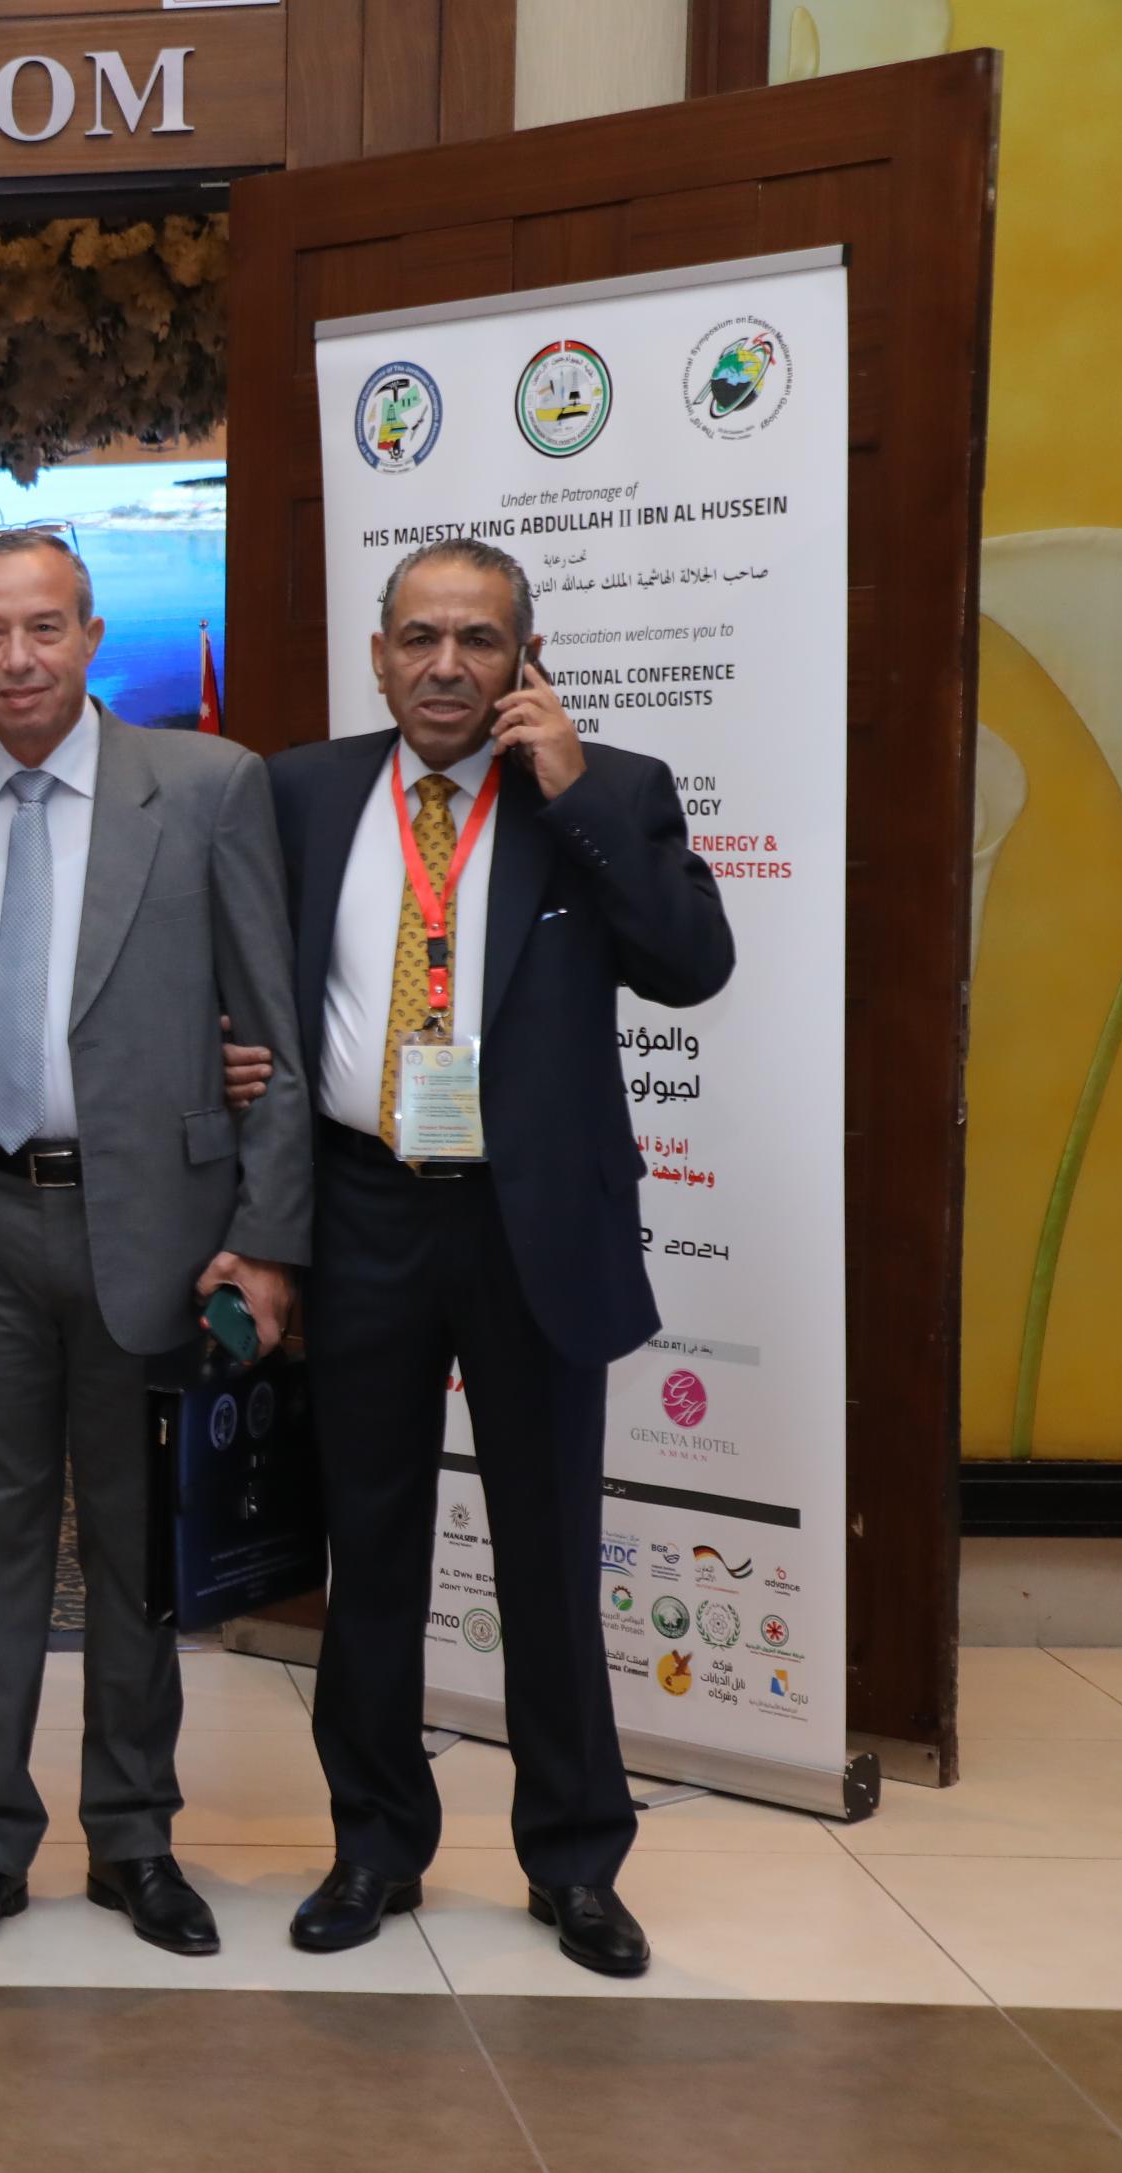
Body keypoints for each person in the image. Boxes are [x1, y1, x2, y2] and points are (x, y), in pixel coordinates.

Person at [0, 531, 310, 1961]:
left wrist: (266, 1239)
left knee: (141, 1551)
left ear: (91, 636)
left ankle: (136, 1837)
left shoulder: (207, 786)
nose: (18, 658)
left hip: (154, 1231)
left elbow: (270, 1032)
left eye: (44, 628)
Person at [265, 537, 731, 1977]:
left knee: (546, 1552)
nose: (447, 666)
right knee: (369, 1549)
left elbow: (692, 964)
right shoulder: (302, 792)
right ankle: (373, 1846)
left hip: (531, 1220)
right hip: (362, 1209)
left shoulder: (608, 791)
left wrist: (571, 790)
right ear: (378, 655)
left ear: (525, 657)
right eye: (420, 637)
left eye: (479, 640)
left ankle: (575, 1863)